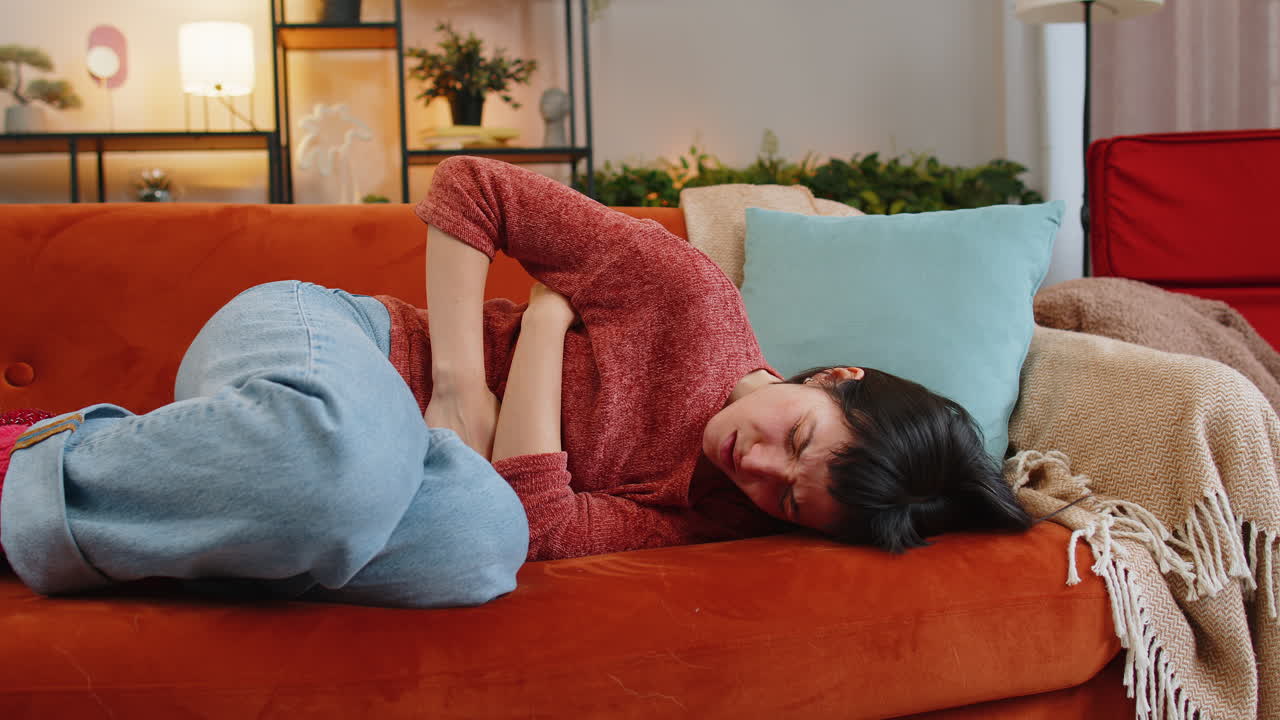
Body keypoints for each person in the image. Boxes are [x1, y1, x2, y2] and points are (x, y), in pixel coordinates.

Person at [0, 157, 1032, 609]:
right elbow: (471, 189)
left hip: (392, 470)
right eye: (796, 439)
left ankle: (206, 514)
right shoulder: (689, 297)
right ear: (834, 376)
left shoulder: (717, 512)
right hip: (331, 342)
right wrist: (456, 386)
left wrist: (546, 317)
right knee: (351, 475)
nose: (752, 466)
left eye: (786, 500)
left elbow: (531, 516)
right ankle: (41, 457)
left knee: (480, 550)